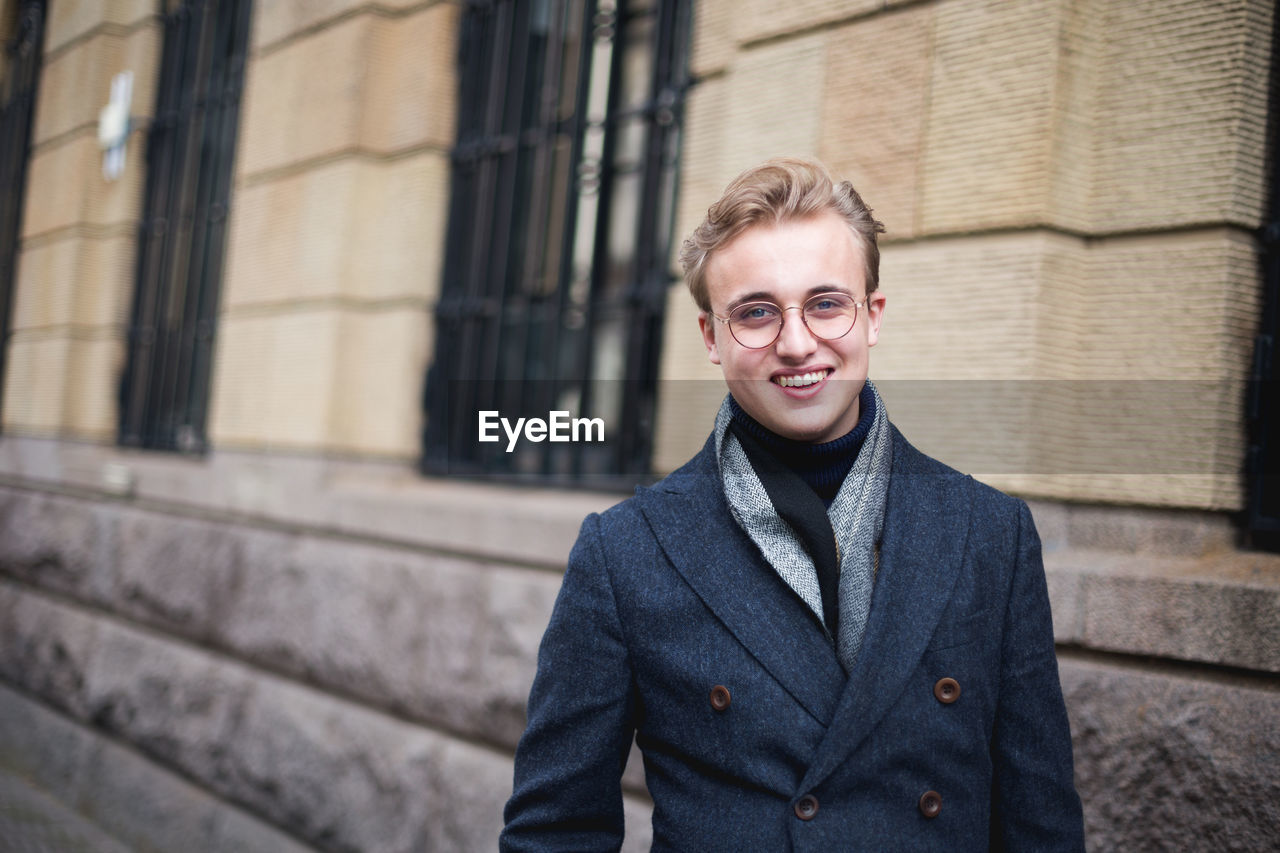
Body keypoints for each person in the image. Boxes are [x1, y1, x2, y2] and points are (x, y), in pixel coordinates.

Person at [500, 158, 1084, 851]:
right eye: (756, 312)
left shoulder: (990, 532)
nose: (797, 341)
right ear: (712, 338)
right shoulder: (626, 550)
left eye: (826, 303)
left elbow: (1040, 822)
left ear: (872, 316)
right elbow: (555, 832)